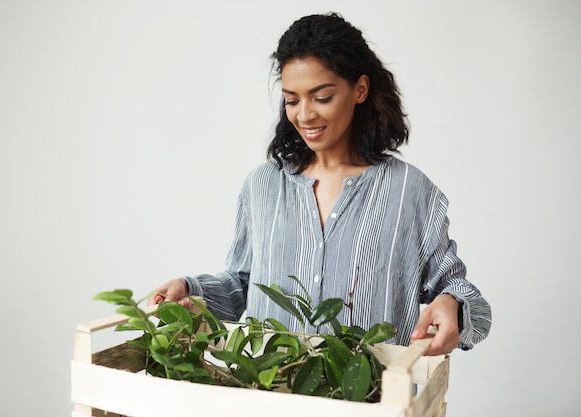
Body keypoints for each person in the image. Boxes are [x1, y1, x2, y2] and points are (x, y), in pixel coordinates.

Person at [148, 12, 491, 356]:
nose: (304, 115)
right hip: (271, 393)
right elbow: (242, 284)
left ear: (360, 89)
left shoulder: (411, 193)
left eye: (322, 97)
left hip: (371, 404)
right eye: (292, 100)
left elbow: (465, 297)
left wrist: (451, 306)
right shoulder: (263, 186)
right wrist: (192, 292)